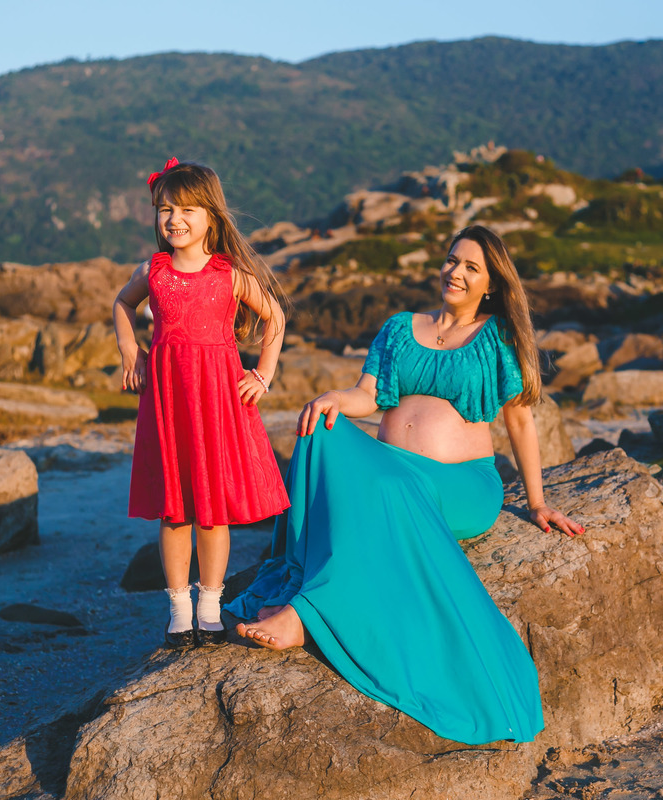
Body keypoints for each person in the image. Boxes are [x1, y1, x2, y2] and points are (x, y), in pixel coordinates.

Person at [227, 224, 584, 745]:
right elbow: (367, 396)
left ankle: (306, 616)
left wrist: (536, 501)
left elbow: (522, 421)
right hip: (392, 469)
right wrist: (331, 400)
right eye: (451, 260)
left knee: (385, 488)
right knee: (319, 432)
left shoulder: (497, 336)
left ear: (490, 284)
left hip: (459, 485)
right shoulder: (400, 329)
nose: (455, 272)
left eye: (470, 268)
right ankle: (310, 579)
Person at [113, 158, 290, 650]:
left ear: (211, 215)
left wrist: (263, 375)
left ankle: (210, 609)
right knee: (176, 510)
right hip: (169, 402)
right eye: (166, 209)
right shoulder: (153, 270)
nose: (175, 219)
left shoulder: (229, 273)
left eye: (188, 209)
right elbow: (122, 303)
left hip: (217, 402)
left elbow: (274, 318)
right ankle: (178, 612)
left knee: (213, 511)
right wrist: (130, 347)